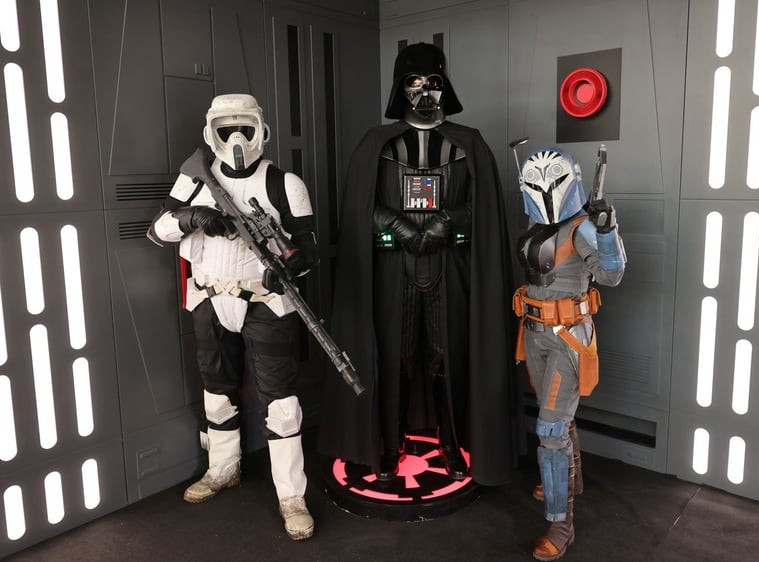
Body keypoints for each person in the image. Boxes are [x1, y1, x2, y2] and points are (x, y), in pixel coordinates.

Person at [318, 42, 517, 486]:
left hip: (451, 267)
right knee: (398, 353)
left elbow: (485, 207)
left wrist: (450, 220)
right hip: (394, 267)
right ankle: (391, 442)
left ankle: (452, 440)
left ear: (446, 86)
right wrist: (393, 223)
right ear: (399, 88)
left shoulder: (470, 143)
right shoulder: (375, 143)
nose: (424, 91)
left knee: (448, 352)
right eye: (414, 82)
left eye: (433, 82)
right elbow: (358, 206)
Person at [146, 93, 319, 541]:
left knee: (281, 402)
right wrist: (195, 216)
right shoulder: (194, 180)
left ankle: (291, 495)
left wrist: (290, 270)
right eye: (227, 130)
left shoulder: (285, 183)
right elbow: (157, 230)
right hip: (208, 297)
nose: (237, 138)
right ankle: (223, 467)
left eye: (245, 128)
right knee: (216, 389)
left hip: (265, 301)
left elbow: (308, 249)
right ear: (212, 134)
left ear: (261, 130)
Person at [511, 147, 625, 560]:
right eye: (536, 184)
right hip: (534, 334)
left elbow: (611, 274)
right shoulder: (535, 226)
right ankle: (569, 481)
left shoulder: (583, 228)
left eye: (552, 183)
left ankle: (562, 524)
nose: (545, 192)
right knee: (556, 418)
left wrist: (607, 231)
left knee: (550, 429)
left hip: (567, 339)